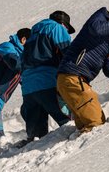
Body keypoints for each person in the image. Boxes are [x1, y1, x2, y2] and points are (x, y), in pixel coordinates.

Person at [57, 3, 109, 133]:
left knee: (87, 126)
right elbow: (96, 29)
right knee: (96, 124)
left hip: (77, 81)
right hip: (72, 76)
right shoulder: (100, 16)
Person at [18, 11, 75, 146]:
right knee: (71, 124)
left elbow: (21, 61)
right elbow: (69, 52)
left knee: (36, 138)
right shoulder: (56, 28)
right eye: (67, 28)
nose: (66, 31)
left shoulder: (32, 34)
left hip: (28, 88)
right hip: (47, 83)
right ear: (62, 24)